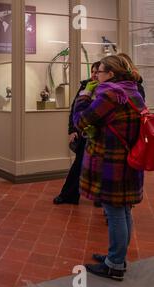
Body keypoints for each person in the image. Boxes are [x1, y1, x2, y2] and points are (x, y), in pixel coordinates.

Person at [74, 55, 145, 281]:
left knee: (115, 213)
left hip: (110, 163)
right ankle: (116, 256)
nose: (96, 75)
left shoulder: (110, 95)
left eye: (100, 72)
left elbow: (82, 120)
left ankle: (114, 264)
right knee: (123, 210)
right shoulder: (132, 91)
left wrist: (84, 96)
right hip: (129, 162)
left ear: (111, 74)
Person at [53, 61, 101, 206]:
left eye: (97, 72)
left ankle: (100, 198)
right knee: (79, 165)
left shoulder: (108, 90)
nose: (94, 75)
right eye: (92, 71)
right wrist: (72, 130)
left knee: (101, 167)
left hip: (100, 135)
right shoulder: (85, 86)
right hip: (84, 134)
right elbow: (74, 109)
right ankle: (69, 195)